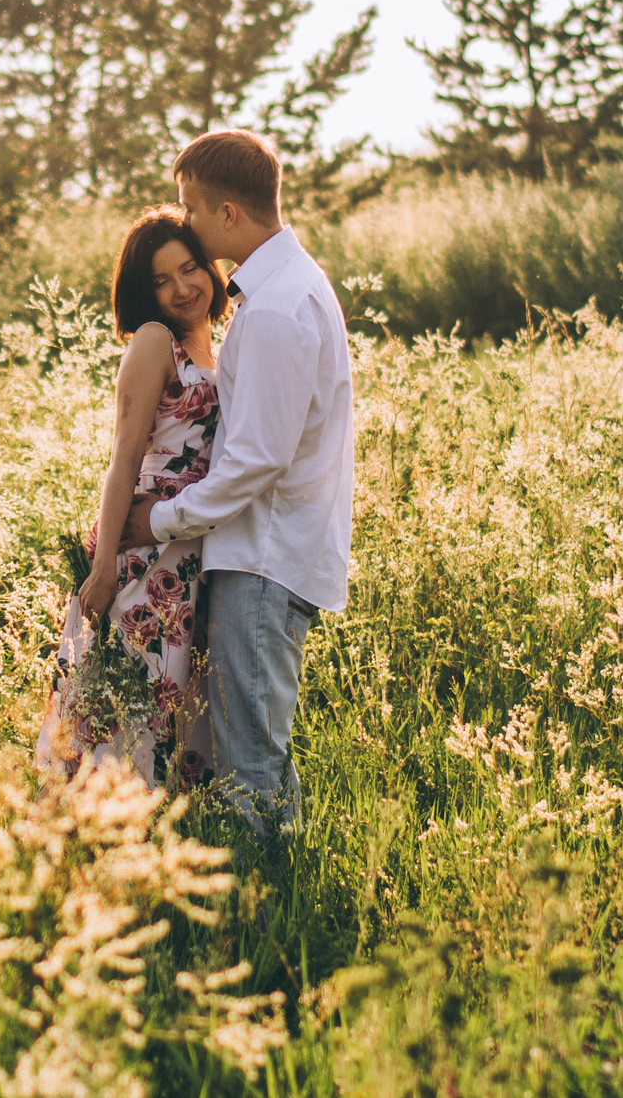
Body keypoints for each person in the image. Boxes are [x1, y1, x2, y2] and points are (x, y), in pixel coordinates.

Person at [117, 128, 354, 832]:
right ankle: (271, 893)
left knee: (249, 759)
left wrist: (158, 520)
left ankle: (265, 915)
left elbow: (258, 460)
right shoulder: (282, 289)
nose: (181, 219)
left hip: (263, 558)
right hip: (263, 554)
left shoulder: (279, 307)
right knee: (255, 747)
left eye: (190, 207)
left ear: (226, 215)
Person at [33, 207, 225, 789]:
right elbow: (123, 460)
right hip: (140, 550)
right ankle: (87, 829)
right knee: (117, 703)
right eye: (161, 280)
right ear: (144, 294)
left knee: (167, 702)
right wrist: (102, 568)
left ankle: (148, 839)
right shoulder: (155, 340)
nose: (181, 288)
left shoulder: (215, 343)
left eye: (189, 268)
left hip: (188, 547)